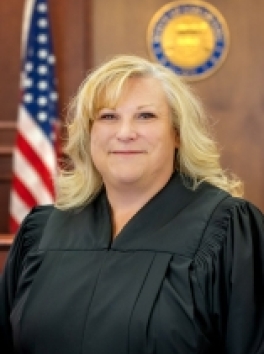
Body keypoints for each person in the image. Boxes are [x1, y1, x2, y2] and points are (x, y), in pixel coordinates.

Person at [0, 54, 264, 354]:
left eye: (146, 116)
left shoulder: (227, 231)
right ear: (89, 134)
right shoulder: (42, 232)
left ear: (177, 133)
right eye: (108, 116)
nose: (125, 133)